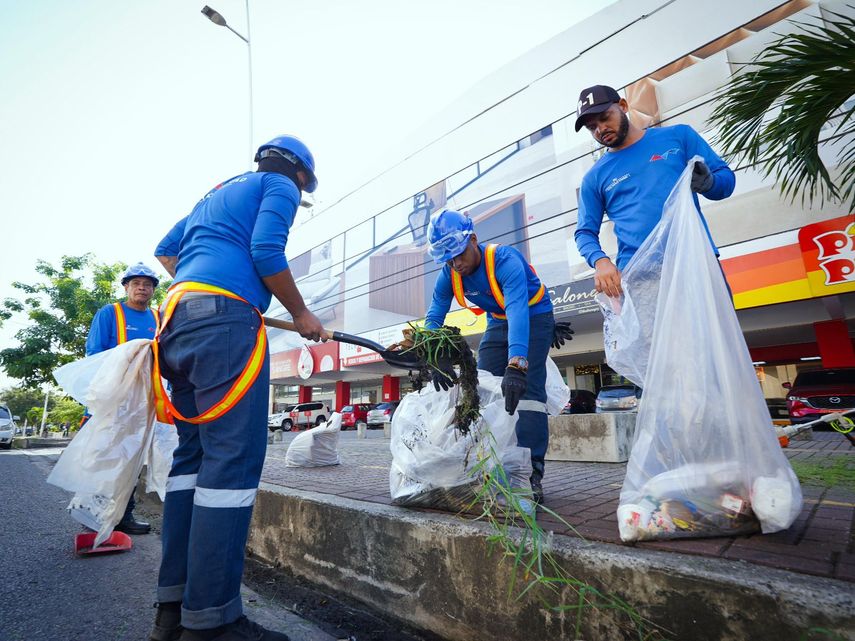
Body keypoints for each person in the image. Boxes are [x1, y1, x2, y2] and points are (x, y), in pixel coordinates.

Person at [149, 135, 325, 641]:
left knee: (192, 461)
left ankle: (173, 612)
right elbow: (267, 249)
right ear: (301, 175)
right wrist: (300, 313)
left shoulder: (216, 193)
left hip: (177, 322)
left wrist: (209, 282)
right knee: (231, 463)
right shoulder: (280, 184)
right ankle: (214, 623)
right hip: (225, 326)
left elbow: (166, 251)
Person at [424, 210, 574, 505]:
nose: (457, 264)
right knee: (481, 389)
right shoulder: (450, 273)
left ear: (473, 240)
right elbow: (435, 314)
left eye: (459, 255)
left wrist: (517, 364)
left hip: (534, 314)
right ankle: (488, 466)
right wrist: (433, 353)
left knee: (527, 392)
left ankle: (530, 474)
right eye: (448, 259)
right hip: (497, 319)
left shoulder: (504, 260)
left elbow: (518, 309)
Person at [573, 84, 736, 297]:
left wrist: (709, 182)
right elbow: (584, 232)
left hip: (696, 260)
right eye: (592, 127)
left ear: (623, 105)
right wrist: (600, 261)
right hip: (641, 279)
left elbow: (726, 181)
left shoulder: (679, 136)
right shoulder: (594, 178)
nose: (600, 129)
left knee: (717, 331)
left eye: (605, 117)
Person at [84, 262, 162, 536]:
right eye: (137, 283)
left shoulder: (157, 317)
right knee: (104, 458)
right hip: (113, 399)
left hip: (143, 401)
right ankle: (93, 515)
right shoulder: (110, 313)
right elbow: (94, 355)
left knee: (132, 459)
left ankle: (124, 515)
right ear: (126, 287)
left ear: (153, 290)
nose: (142, 288)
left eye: (148, 284)